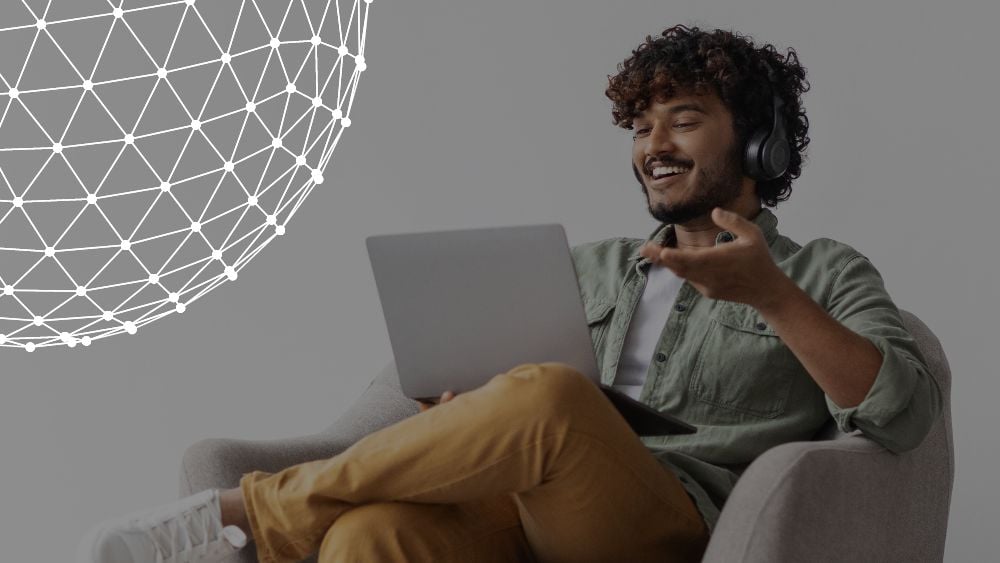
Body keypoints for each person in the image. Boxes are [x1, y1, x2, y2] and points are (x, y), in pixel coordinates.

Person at [76, 25, 942, 563]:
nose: (653, 145)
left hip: (667, 525)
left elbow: (901, 412)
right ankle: (295, 517)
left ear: (760, 145)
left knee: (552, 394)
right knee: (367, 538)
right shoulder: (596, 265)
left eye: (682, 117)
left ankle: (245, 514)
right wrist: (472, 410)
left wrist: (772, 297)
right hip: (525, 510)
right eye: (641, 128)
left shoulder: (823, 271)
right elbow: (528, 413)